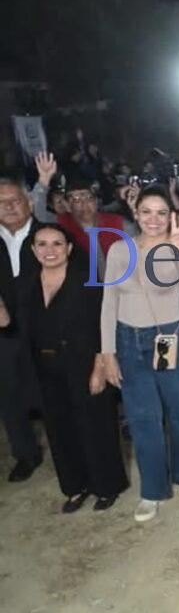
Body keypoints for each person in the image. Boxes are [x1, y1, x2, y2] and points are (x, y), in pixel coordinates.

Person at [98, 186, 179, 522]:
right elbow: (109, 303)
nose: (154, 219)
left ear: (170, 216)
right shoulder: (119, 250)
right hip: (129, 342)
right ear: (136, 213)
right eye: (147, 212)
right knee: (143, 419)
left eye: (161, 212)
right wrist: (108, 353)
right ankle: (152, 489)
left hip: (168, 337)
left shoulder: (176, 247)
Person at [14, 224, 128, 512]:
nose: (49, 250)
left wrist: (101, 366)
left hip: (85, 363)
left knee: (96, 426)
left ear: (69, 248)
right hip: (45, 367)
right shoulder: (25, 284)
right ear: (33, 250)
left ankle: (107, 485)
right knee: (59, 429)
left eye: (56, 244)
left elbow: (104, 325)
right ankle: (75, 486)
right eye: (42, 244)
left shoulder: (87, 281)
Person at [0, 166, 52, 483]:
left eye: (14, 200)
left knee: (53, 391)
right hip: (4, 332)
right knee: (7, 393)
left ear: (29, 202)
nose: (8, 206)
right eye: (0, 202)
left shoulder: (49, 236)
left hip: (46, 328)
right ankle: (25, 453)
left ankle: (66, 448)